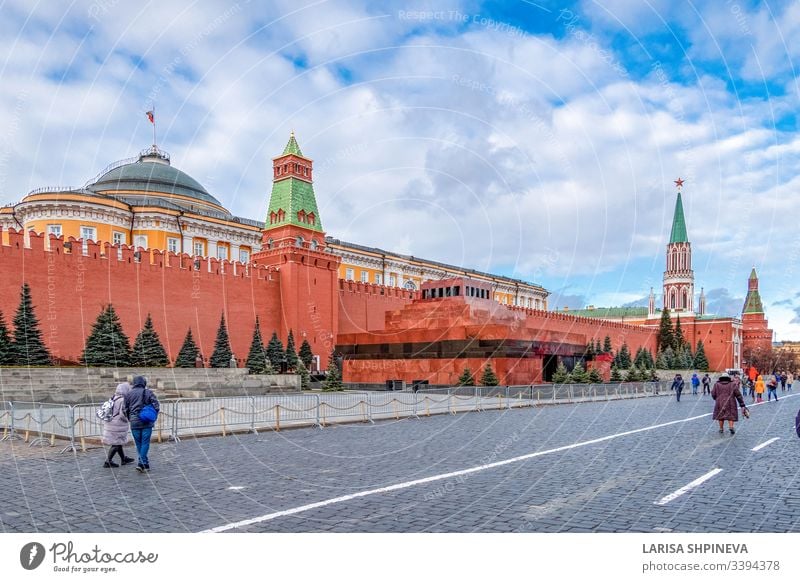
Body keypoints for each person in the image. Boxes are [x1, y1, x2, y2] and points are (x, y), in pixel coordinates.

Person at [123, 376, 160, 473]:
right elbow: (156, 405)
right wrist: (153, 416)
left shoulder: (128, 394)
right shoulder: (148, 392)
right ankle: (142, 463)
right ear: (144, 382)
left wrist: (130, 418)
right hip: (146, 421)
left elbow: (124, 409)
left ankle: (143, 463)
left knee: (139, 443)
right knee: (145, 442)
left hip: (134, 422)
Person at [101, 382, 136, 468]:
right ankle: (108, 461)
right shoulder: (122, 400)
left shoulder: (113, 398)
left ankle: (123, 459)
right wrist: (128, 419)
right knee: (116, 443)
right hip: (118, 425)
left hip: (110, 423)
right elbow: (123, 414)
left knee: (118, 442)